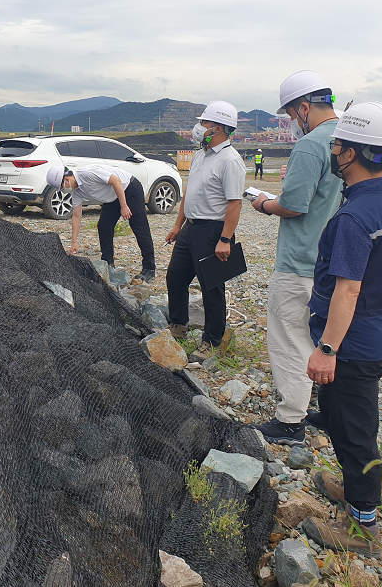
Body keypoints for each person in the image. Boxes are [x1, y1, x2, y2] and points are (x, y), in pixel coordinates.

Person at [297, 102, 382, 558]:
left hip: (353, 346)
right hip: (377, 335)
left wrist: (326, 349)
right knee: (346, 424)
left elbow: (348, 291)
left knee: (355, 431)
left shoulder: (352, 219)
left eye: (339, 144)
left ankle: (363, 527)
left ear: (355, 153)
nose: (334, 149)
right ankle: (352, 486)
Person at [251, 70, 342, 446]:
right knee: (325, 338)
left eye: (291, 115)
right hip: (335, 264)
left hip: (300, 260)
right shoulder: (349, 139)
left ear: (304, 108)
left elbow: (293, 205)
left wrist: (264, 203)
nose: (292, 123)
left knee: (290, 337)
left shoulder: (310, 145)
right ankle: (328, 411)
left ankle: (291, 422)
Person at [164, 101, 245, 361]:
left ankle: (211, 341)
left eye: (204, 123)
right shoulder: (201, 154)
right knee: (175, 276)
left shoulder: (230, 160)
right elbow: (190, 192)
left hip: (213, 230)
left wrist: (225, 239)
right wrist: (178, 225)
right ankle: (177, 326)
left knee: (211, 288)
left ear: (218, 127)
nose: (199, 128)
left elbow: (234, 203)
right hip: (191, 227)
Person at [46, 163, 156, 281]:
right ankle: (108, 264)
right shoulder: (76, 192)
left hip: (128, 188)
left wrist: (124, 206)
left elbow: (116, 181)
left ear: (66, 179)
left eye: (62, 187)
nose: (63, 191)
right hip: (112, 198)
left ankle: (149, 268)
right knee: (104, 226)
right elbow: (77, 216)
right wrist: (74, 242)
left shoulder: (87, 173)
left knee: (139, 226)